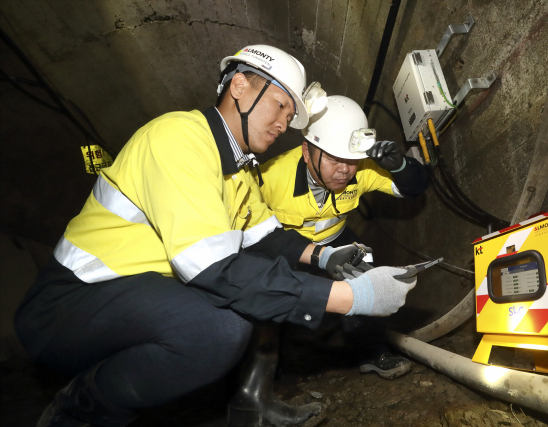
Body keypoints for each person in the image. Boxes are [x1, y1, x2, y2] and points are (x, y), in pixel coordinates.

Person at [14, 45, 418, 427]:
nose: (283, 123)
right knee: (219, 328)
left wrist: (324, 257)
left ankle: (248, 402)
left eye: (291, 115)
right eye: (280, 105)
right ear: (239, 86)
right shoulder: (178, 139)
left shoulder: (238, 172)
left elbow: (265, 238)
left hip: (133, 294)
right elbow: (217, 270)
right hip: (68, 303)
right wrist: (353, 298)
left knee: (243, 299)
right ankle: (79, 410)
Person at [259, 95, 430, 379]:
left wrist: (400, 166)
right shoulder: (270, 178)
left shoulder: (362, 171)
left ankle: (371, 351)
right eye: (333, 158)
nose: (344, 169)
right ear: (306, 151)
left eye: (351, 159)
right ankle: (273, 365)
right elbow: (248, 231)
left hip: (337, 238)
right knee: (267, 289)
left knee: (365, 271)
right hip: (288, 246)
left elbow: (415, 188)